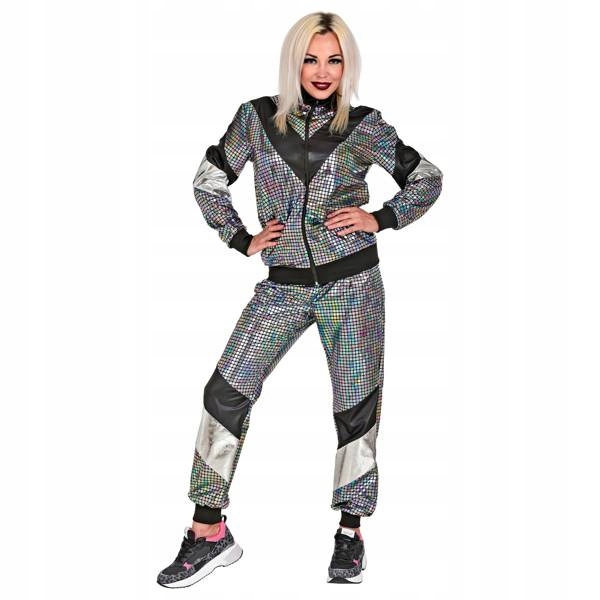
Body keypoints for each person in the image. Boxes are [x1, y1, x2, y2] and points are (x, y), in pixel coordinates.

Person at [157, 11, 443, 587]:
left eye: (334, 60)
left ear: (347, 66)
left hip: (352, 284)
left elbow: (427, 177)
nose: (322, 71)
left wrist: (380, 217)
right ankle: (209, 531)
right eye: (311, 59)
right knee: (225, 391)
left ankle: (350, 533)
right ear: (294, 62)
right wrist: (241, 238)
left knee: (355, 404)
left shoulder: (364, 125)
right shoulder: (256, 119)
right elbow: (207, 180)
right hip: (283, 285)